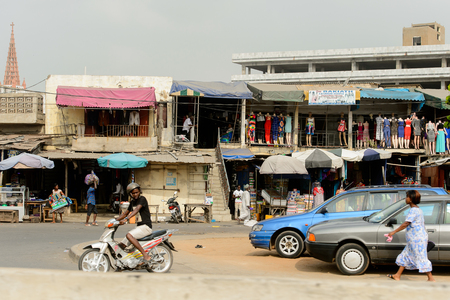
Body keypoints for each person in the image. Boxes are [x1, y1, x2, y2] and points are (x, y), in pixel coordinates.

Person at [387, 190, 435, 282]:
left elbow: (406, 224)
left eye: (407, 197)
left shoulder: (413, 210)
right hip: (415, 239)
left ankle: (431, 278)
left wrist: (393, 232)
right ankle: (397, 275)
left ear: (411, 199)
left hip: (417, 239)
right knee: (406, 255)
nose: (406, 198)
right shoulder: (418, 209)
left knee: (421, 257)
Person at [116, 183, 153, 263]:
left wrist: (126, 219)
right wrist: (114, 220)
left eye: (137, 192)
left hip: (146, 227)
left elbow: (136, 210)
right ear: (130, 194)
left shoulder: (142, 199)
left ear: (140, 192)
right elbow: (125, 213)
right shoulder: (132, 202)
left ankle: (145, 255)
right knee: (122, 245)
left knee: (129, 235)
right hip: (139, 227)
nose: (135, 194)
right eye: (133, 193)